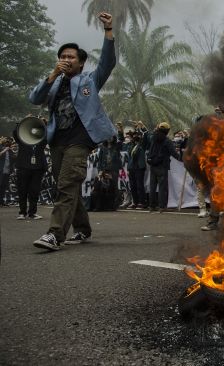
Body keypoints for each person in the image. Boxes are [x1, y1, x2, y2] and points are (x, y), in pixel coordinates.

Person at [28, 12, 116, 251]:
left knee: (67, 184)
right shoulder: (54, 81)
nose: (65, 59)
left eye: (70, 57)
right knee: (66, 185)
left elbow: (108, 63)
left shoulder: (90, 80)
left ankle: (55, 234)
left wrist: (108, 31)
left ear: (81, 62)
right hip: (57, 140)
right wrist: (53, 75)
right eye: (62, 56)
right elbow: (35, 98)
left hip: (81, 140)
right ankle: (83, 228)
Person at [143, 122, 181, 213]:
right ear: (167, 131)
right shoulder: (167, 141)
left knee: (152, 187)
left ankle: (152, 206)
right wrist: (183, 159)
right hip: (162, 166)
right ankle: (162, 206)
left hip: (153, 165)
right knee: (162, 188)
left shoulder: (153, 138)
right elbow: (173, 153)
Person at [13, 121, 47, 219]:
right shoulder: (23, 139)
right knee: (22, 190)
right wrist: (20, 124)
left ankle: (32, 212)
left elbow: (48, 134)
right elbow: (15, 134)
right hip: (23, 167)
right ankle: (22, 212)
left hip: (38, 168)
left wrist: (43, 124)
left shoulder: (42, 141)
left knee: (34, 191)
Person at [0, 137, 17, 206]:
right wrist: (4, 150)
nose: (8, 143)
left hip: (7, 171)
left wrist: (14, 151)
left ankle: (1, 202)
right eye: (7, 141)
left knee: (3, 187)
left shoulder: (10, 151)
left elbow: (14, 159)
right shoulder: (1, 148)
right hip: (1, 170)